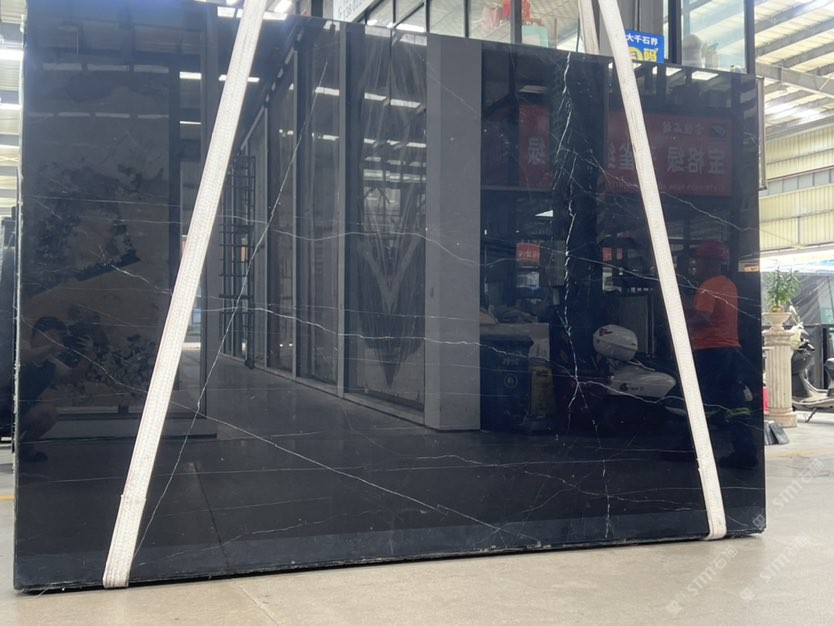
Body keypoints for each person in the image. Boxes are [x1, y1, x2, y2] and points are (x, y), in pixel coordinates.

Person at [687, 240, 757, 468]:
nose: (695, 265)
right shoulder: (729, 285)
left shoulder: (708, 286)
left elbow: (703, 318)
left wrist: (679, 322)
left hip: (710, 350)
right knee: (734, 402)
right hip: (730, 349)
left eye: (698, 260)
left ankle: (691, 448)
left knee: (702, 400)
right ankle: (745, 450)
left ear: (708, 262)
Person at [16, 317, 93, 461]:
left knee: (48, 412)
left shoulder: (50, 362)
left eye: (59, 337)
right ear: (36, 334)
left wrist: (87, 356)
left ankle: (24, 448)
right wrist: (51, 347)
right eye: (51, 335)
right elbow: (21, 357)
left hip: (18, 413)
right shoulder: (21, 345)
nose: (55, 340)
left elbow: (72, 377)